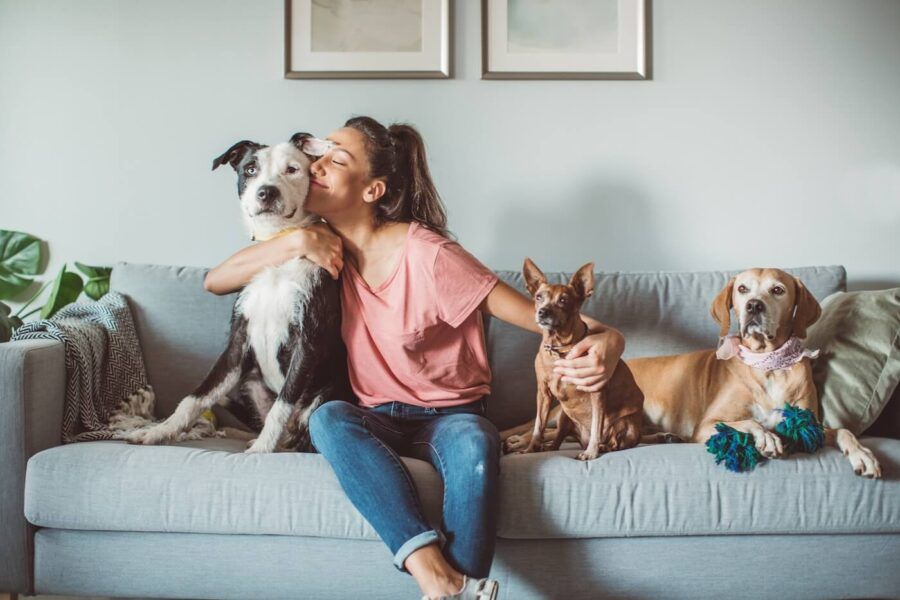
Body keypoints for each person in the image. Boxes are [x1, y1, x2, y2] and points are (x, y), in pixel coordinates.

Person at [203, 116, 625, 600]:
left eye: (335, 159)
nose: (316, 165)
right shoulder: (318, 244)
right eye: (319, 155)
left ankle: (449, 589)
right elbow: (216, 281)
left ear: (371, 190)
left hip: (451, 417)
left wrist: (612, 340)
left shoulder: (431, 255)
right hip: (374, 416)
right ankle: (439, 579)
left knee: (475, 445)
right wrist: (296, 240)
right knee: (328, 419)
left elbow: (541, 318)